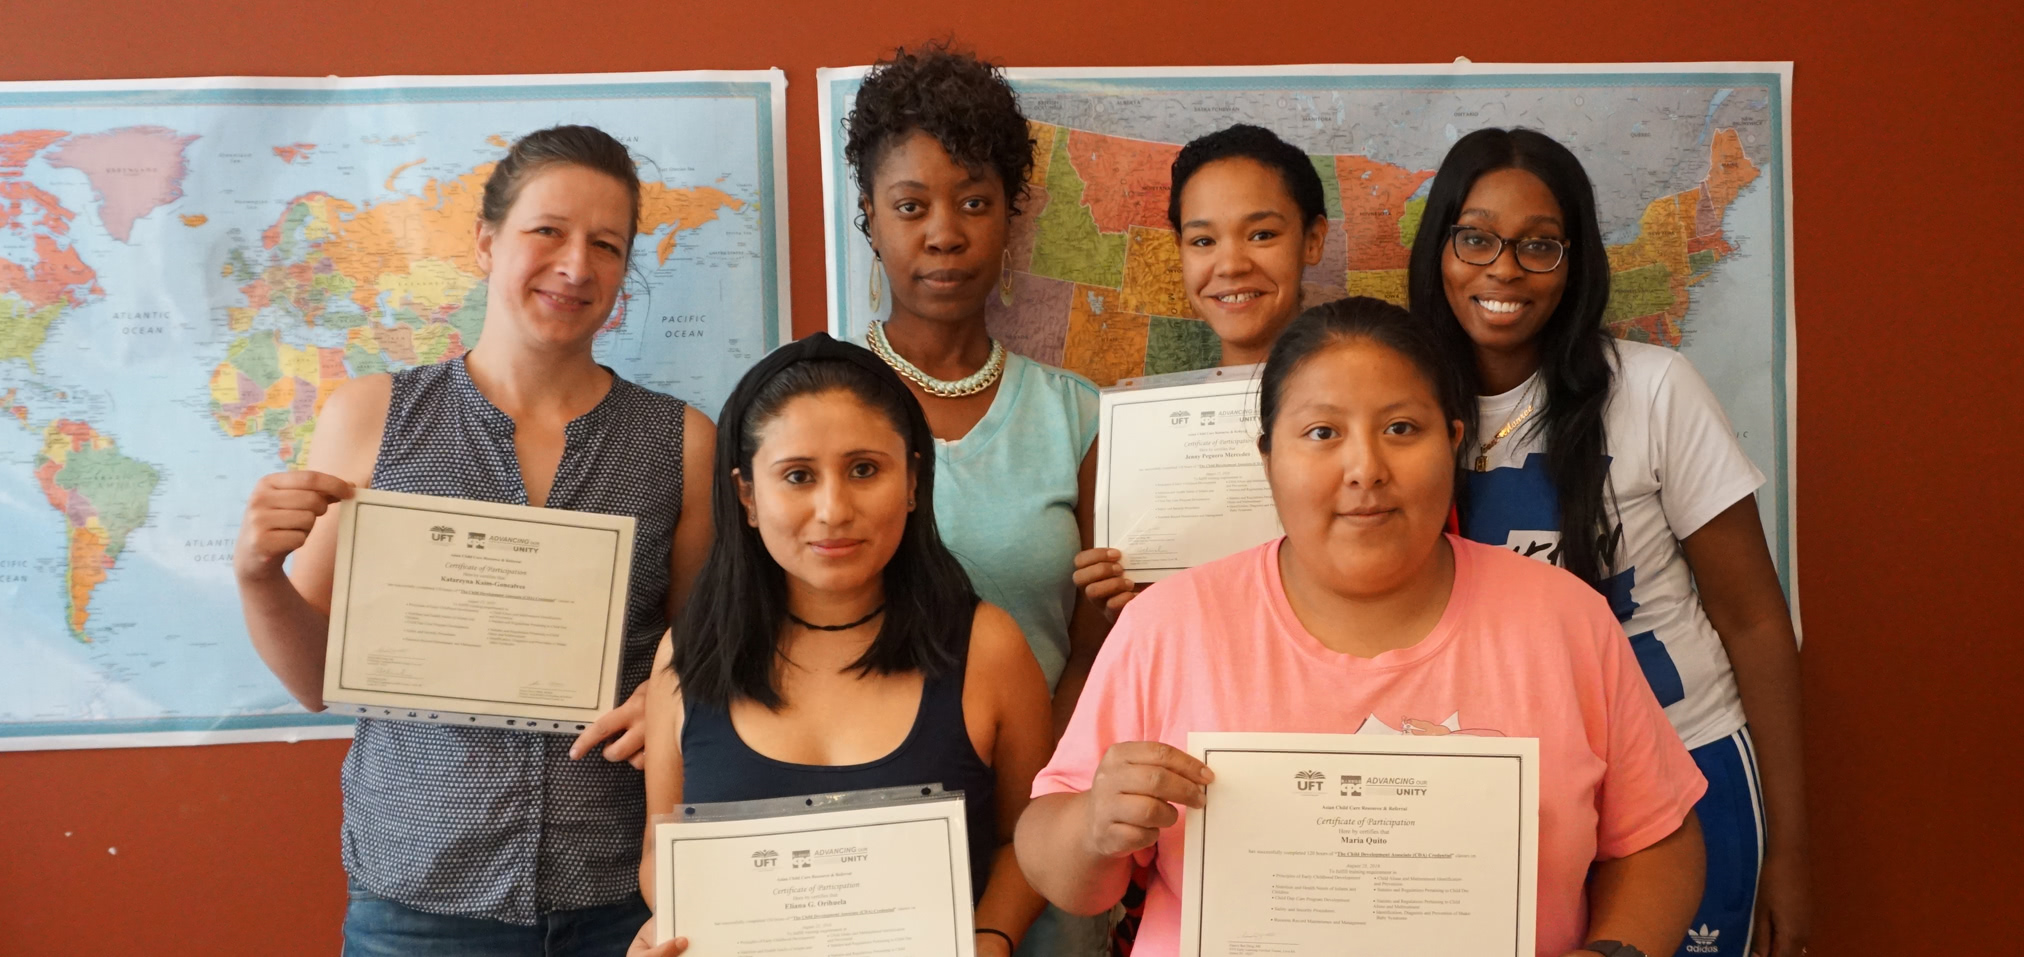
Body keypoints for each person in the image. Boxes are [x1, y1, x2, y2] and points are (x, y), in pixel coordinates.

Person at [1015, 297, 1709, 957]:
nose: (1366, 470)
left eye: (1402, 429)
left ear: (1454, 441)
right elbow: (1063, 870)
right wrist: (1093, 824)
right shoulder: (1167, 628)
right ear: (1268, 457)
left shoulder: (1564, 621)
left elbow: (1658, 841)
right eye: (1322, 433)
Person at [231, 125, 715, 955]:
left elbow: (703, 653)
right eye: (547, 231)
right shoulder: (371, 417)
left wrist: (667, 700)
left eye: (606, 244)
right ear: (487, 242)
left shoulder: (681, 442)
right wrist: (258, 575)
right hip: (418, 903)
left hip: (619, 897)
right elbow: (314, 680)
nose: (576, 265)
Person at [1407, 127, 1809, 957]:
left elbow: (1755, 622)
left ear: (1577, 260)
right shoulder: (1399, 403)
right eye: (1475, 237)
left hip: (1687, 769)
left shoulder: (1655, 391)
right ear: (1439, 247)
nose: (1504, 269)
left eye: (1539, 246)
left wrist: (1793, 851)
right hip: (1501, 789)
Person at [623, 334, 1052, 957]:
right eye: (797, 476)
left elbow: (1026, 840)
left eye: (864, 470)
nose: (833, 509)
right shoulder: (688, 653)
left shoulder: (988, 646)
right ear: (748, 497)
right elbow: (661, 848)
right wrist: (674, 926)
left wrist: (989, 939)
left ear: (912, 480)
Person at [1071, 122, 1331, 621]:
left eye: (1261, 234)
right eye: (1203, 241)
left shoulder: (1361, 409)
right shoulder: (1138, 438)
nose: (1230, 264)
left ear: (1313, 239)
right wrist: (1131, 608)